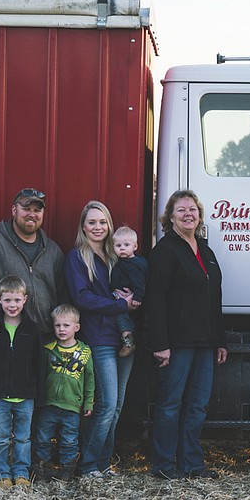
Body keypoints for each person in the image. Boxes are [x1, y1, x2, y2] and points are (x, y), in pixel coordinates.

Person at [0, 187, 64, 484]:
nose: (32, 214)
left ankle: (25, 466)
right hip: (2, 338)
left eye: (38, 209)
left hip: (39, 340)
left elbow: (60, 292)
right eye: (26, 208)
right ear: (14, 209)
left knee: (32, 406)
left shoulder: (52, 250)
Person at [146, 190, 227, 480]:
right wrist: (161, 344)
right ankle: (164, 465)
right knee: (170, 405)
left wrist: (220, 340)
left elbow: (214, 296)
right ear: (170, 217)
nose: (188, 214)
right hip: (177, 344)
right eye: (181, 210)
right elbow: (155, 300)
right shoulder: (165, 251)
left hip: (205, 344)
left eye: (192, 209)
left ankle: (192, 463)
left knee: (197, 405)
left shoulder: (205, 250)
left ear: (199, 215)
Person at [65, 201, 136, 479]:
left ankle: (103, 464)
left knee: (117, 406)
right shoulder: (77, 258)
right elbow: (81, 297)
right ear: (83, 226)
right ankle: (88, 465)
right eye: (92, 222)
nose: (98, 227)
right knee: (105, 404)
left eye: (103, 222)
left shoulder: (117, 256)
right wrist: (120, 306)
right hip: (98, 338)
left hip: (123, 337)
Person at [0, 275, 44, 488]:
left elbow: (39, 365)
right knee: (1, 438)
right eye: (7, 300)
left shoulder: (32, 330)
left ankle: (21, 472)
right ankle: (2, 473)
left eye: (16, 300)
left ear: (25, 299)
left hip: (25, 396)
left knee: (23, 438)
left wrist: (38, 395)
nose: (12, 305)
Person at [32, 304, 95, 483]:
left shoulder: (84, 352)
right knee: (42, 438)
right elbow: (40, 375)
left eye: (66, 325)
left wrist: (88, 402)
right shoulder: (49, 349)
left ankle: (67, 472)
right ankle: (40, 471)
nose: (61, 329)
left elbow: (89, 378)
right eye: (57, 325)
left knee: (69, 441)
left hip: (72, 406)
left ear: (77, 327)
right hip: (49, 404)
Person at [110, 226, 148, 358]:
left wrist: (137, 297)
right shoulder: (122, 262)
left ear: (135, 246)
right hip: (119, 296)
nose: (122, 248)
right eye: (118, 245)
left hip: (129, 299)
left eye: (126, 245)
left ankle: (128, 340)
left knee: (122, 315)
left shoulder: (134, 264)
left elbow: (139, 282)